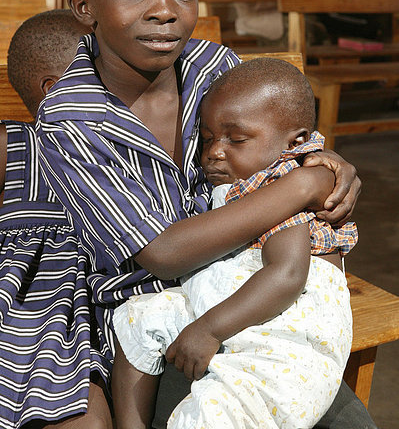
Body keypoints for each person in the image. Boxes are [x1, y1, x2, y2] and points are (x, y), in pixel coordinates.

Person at [33, 0, 371, 429]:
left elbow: (279, 139)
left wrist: (325, 160)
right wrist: (304, 187)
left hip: (257, 295)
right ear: (85, 7)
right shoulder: (72, 120)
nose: (165, 9)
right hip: (157, 328)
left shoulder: (213, 64)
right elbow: (163, 255)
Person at [112, 57, 356, 428]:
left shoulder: (284, 184)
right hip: (234, 301)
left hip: (280, 336)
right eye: (208, 139)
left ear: (296, 142)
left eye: (236, 139)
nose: (215, 151)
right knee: (138, 318)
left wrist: (209, 329)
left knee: (216, 412)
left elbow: (288, 274)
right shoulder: (250, 180)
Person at [0, 9, 113, 428]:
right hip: (29, 311)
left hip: (98, 322)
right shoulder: (17, 144)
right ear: (54, 89)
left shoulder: (127, 152)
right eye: (102, 71)